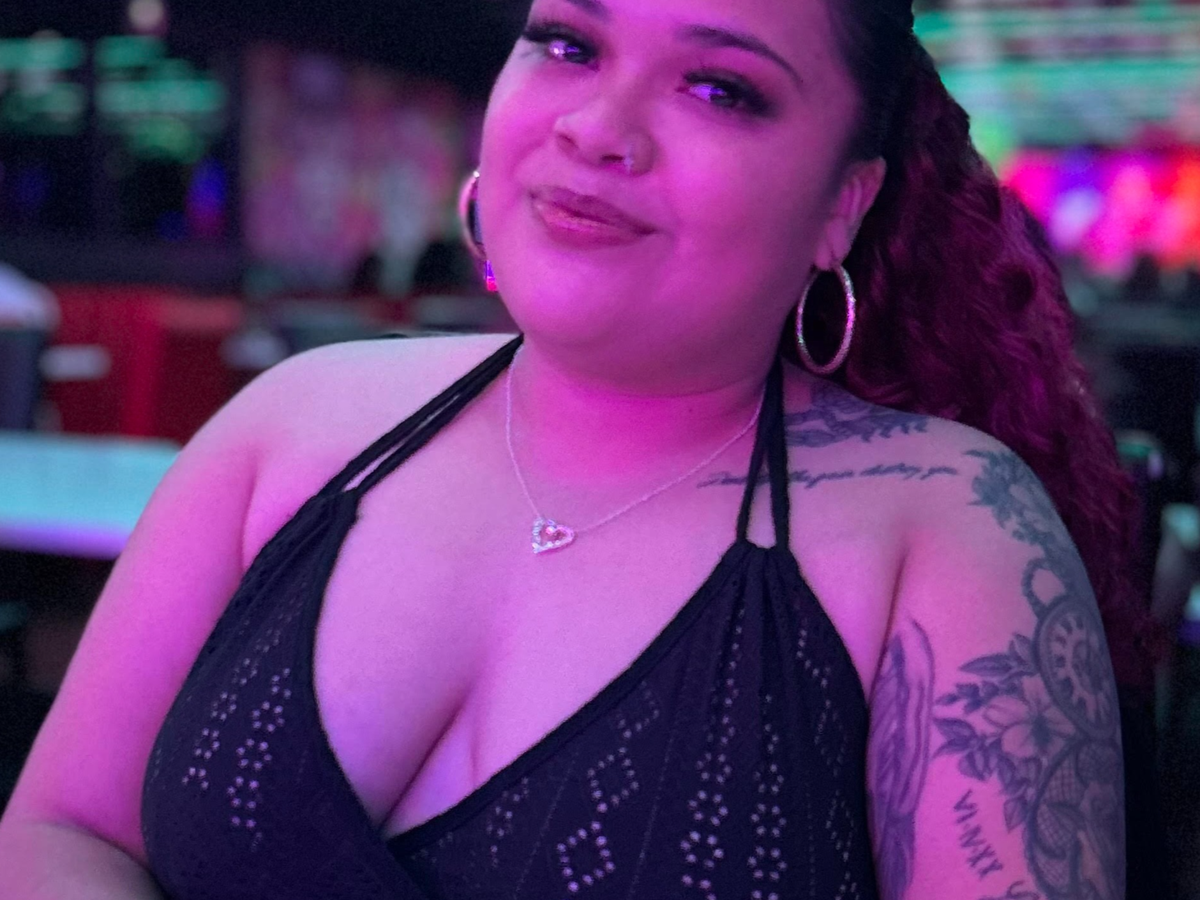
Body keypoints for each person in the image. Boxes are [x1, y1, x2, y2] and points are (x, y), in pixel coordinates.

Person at [0, 0, 1141, 897]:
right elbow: (63, 828)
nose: (596, 128)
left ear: (843, 203)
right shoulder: (291, 424)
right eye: (567, 44)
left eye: (719, 87)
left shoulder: (948, 526)